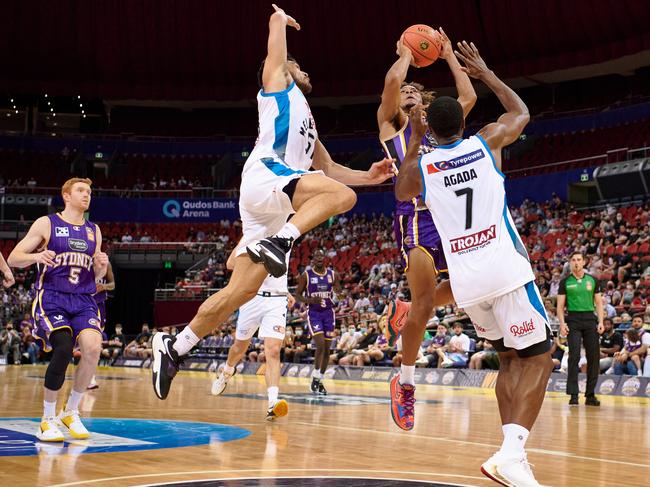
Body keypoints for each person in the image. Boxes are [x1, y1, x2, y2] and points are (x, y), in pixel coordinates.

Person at [151, 4, 393, 401]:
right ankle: (282, 242)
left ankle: (174, 348)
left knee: (239, 293)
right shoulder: (277, 84)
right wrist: (279, 21)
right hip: (266, 177)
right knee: (343, 198)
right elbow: (274, 47)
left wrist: (368, 176)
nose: (308, 73)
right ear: (285, 67)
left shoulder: (308, 119)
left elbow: (328, 167)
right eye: (301, 67)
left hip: (272, 205)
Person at [396, 41, 553, 486]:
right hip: (504, 269)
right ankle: (513, 451)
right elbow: (520, 112)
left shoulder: (425, 165)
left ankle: (511, 457)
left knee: (508, 361)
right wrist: (485, 74)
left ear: (432, 129)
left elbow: (402, 191)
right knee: (540, 360)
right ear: (463, 122)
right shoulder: (485, 143)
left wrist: (413, 132)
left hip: (467, 282)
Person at [378, 30, 476, 428]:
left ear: (427, 101)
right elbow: (389, 88)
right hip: (416, 218)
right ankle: (406, 383)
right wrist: (404, 56)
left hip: (451, 218)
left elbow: (467, 98)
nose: (407, 93)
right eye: (404, 92)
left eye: (414, 90)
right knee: (423, 301)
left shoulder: (441, 127)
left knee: (467, 293)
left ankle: (404, 313)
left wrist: (450, 56)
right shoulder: (392, 128)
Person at [8, 177, 108, 442]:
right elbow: (13, 258)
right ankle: (47, 419)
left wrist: (100, 265)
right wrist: (36, 257)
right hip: (52, 297)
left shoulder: (93, 230)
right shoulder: (47, 223)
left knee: (93, 348)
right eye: (81, 191)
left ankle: (71, 411)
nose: (87, 195)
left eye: (89, 191)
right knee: (63, 348)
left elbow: (97, 276)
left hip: (84, 298)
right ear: (66, 195)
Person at [211, 242, 291, 420]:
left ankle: (273, 403)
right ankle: (227, 371)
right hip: (253, 297)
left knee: (273, 350)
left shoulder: (289, 233)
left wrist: (285, 290)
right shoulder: (253, 232)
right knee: (239, 348)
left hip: (277, 299)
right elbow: (231, 263)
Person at [557, 251, 603, 406]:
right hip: (573, 320)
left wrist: (601, 321)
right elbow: (560, 306)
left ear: (584, 262)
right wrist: (562, 324)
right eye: (573, 259)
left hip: (590, 319)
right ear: (570, 263)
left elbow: (599, 303)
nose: (576, 262)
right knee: (574, 356)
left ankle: (590, 395)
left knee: (593, 357)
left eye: (579, 259)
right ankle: (573, 394)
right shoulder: (565, 282)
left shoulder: (593, 280)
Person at [293, 248, 341, 395]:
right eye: (317, 255)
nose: (320, 258)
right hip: (314, 313)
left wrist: (339, 296)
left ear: (325, 258)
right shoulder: (306, 276)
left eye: (322, 255)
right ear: (313, 259)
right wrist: (309, 300)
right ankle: (315, 376)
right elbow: (297, 295)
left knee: (327, 350)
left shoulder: (333, 275)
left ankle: (318, 380)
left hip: (329, 314)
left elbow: (339, 292)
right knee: (319, 345)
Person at [88, 260, 116, 390]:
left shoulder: (106, 264)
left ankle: (90, 376)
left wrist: (104, 286)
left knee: (95, 343)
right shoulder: (84, 261)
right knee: (87, 341)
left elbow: (112, 285)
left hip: (99, 305)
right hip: (84, 303)